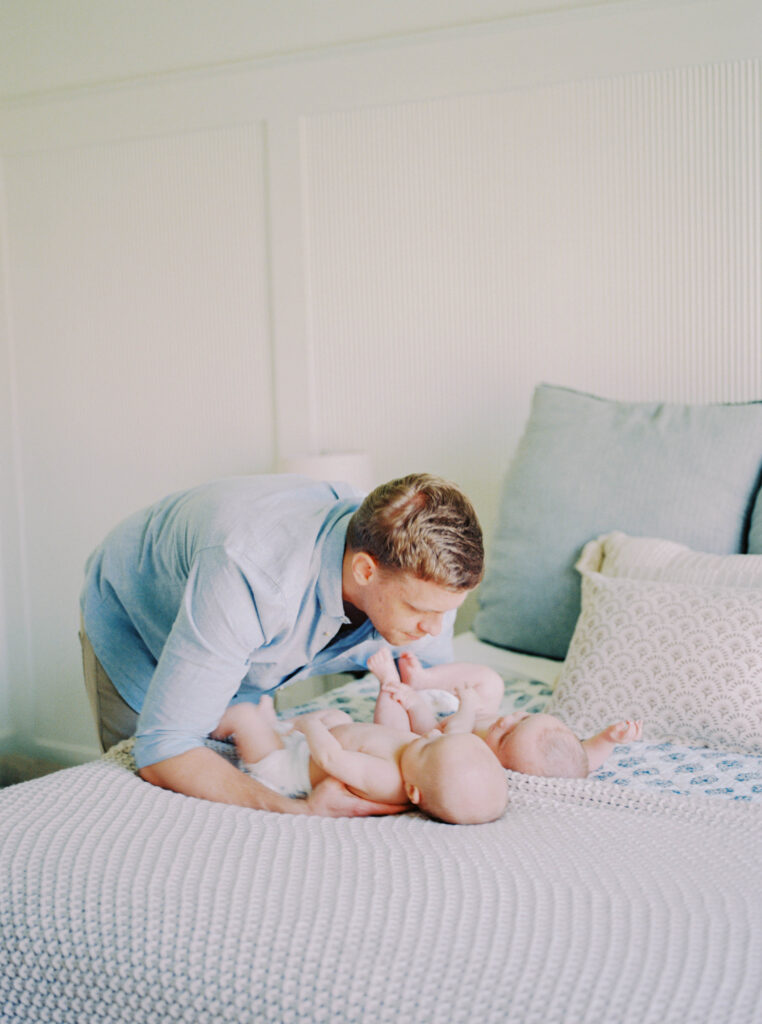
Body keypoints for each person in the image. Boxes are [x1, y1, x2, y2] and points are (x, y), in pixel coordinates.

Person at [79, 472, 484, 816]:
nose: (435, 629)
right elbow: (163, 750)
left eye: (447, 612)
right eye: (419, 611)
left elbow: (432, 696)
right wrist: (294, 811)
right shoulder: (252, 576)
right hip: (139, 623)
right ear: (364, 570)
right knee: (153, 803)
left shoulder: (426, 588)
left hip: (243, 623)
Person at [211, 688, 508, 825]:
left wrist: (310, 725)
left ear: (413, 792)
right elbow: (454, 730)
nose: (431, 735)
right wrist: (468, 705)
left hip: (284, 765)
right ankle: (275, 725)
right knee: (337, 715)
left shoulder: (387, 779)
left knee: (244, 716)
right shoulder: (426, 762)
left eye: (429, 746)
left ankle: (211, 730)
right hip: (309, 744)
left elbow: (330, 758)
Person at [368, 648, 643, 779]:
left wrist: (415, 704)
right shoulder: (560, 761)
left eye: (506, 735)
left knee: (395, 737)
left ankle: (390, 682)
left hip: (431, 729)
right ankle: (424, 679)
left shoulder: (470, 753)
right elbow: (583, 761)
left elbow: (435, 729)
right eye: (524, 718)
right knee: (491, 681)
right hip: (473, 708)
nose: (506, 719)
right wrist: (608, 739)